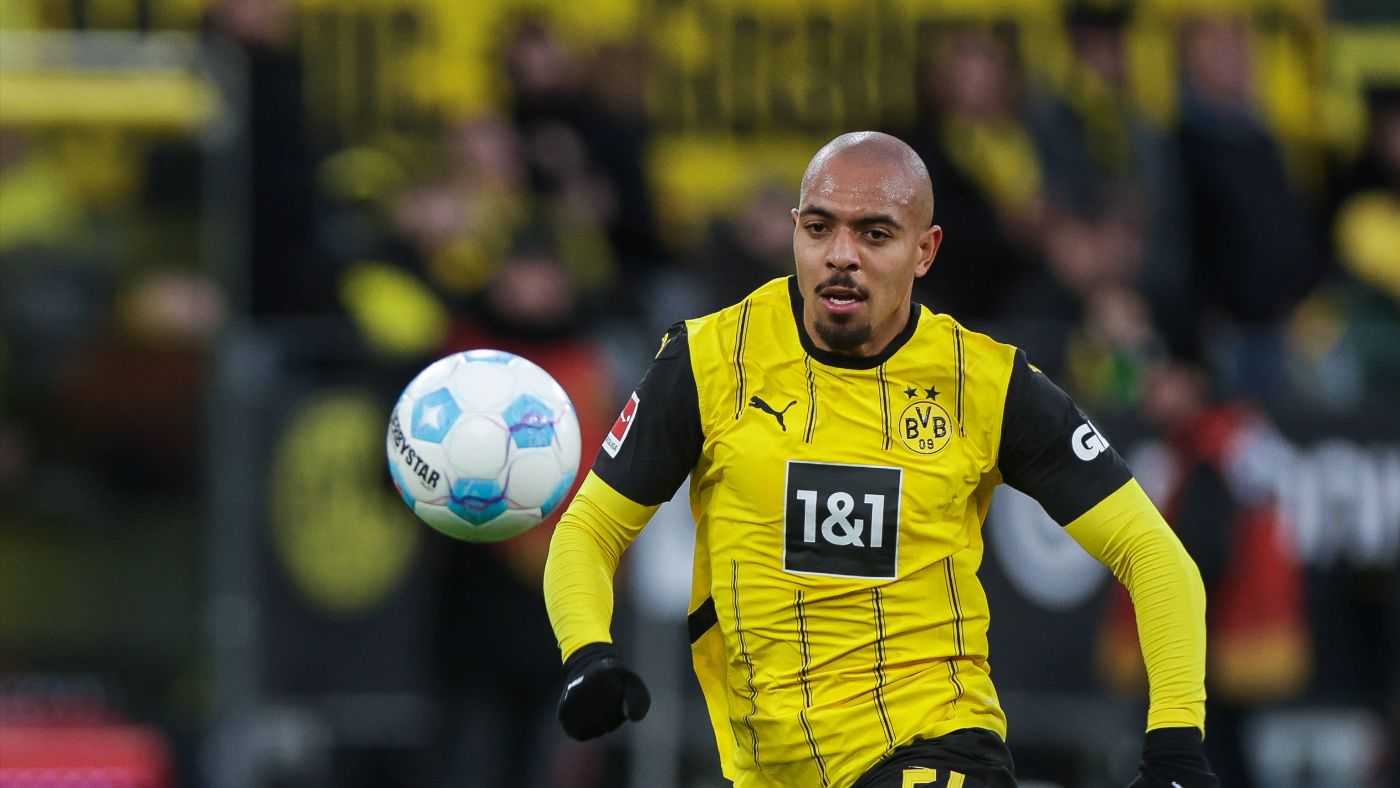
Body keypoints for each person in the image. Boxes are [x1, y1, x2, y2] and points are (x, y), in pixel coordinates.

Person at [543, 132, 1216, 787]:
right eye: (819, 228)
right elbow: (589, 530)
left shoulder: (985, 384)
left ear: (925, 250)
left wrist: (1177, 744)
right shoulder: (710, 361)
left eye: (875, 234)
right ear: (794, 233)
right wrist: (586, 651)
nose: (842, 256)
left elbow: (1154, 554)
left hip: (937, 743)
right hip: (770, 768)